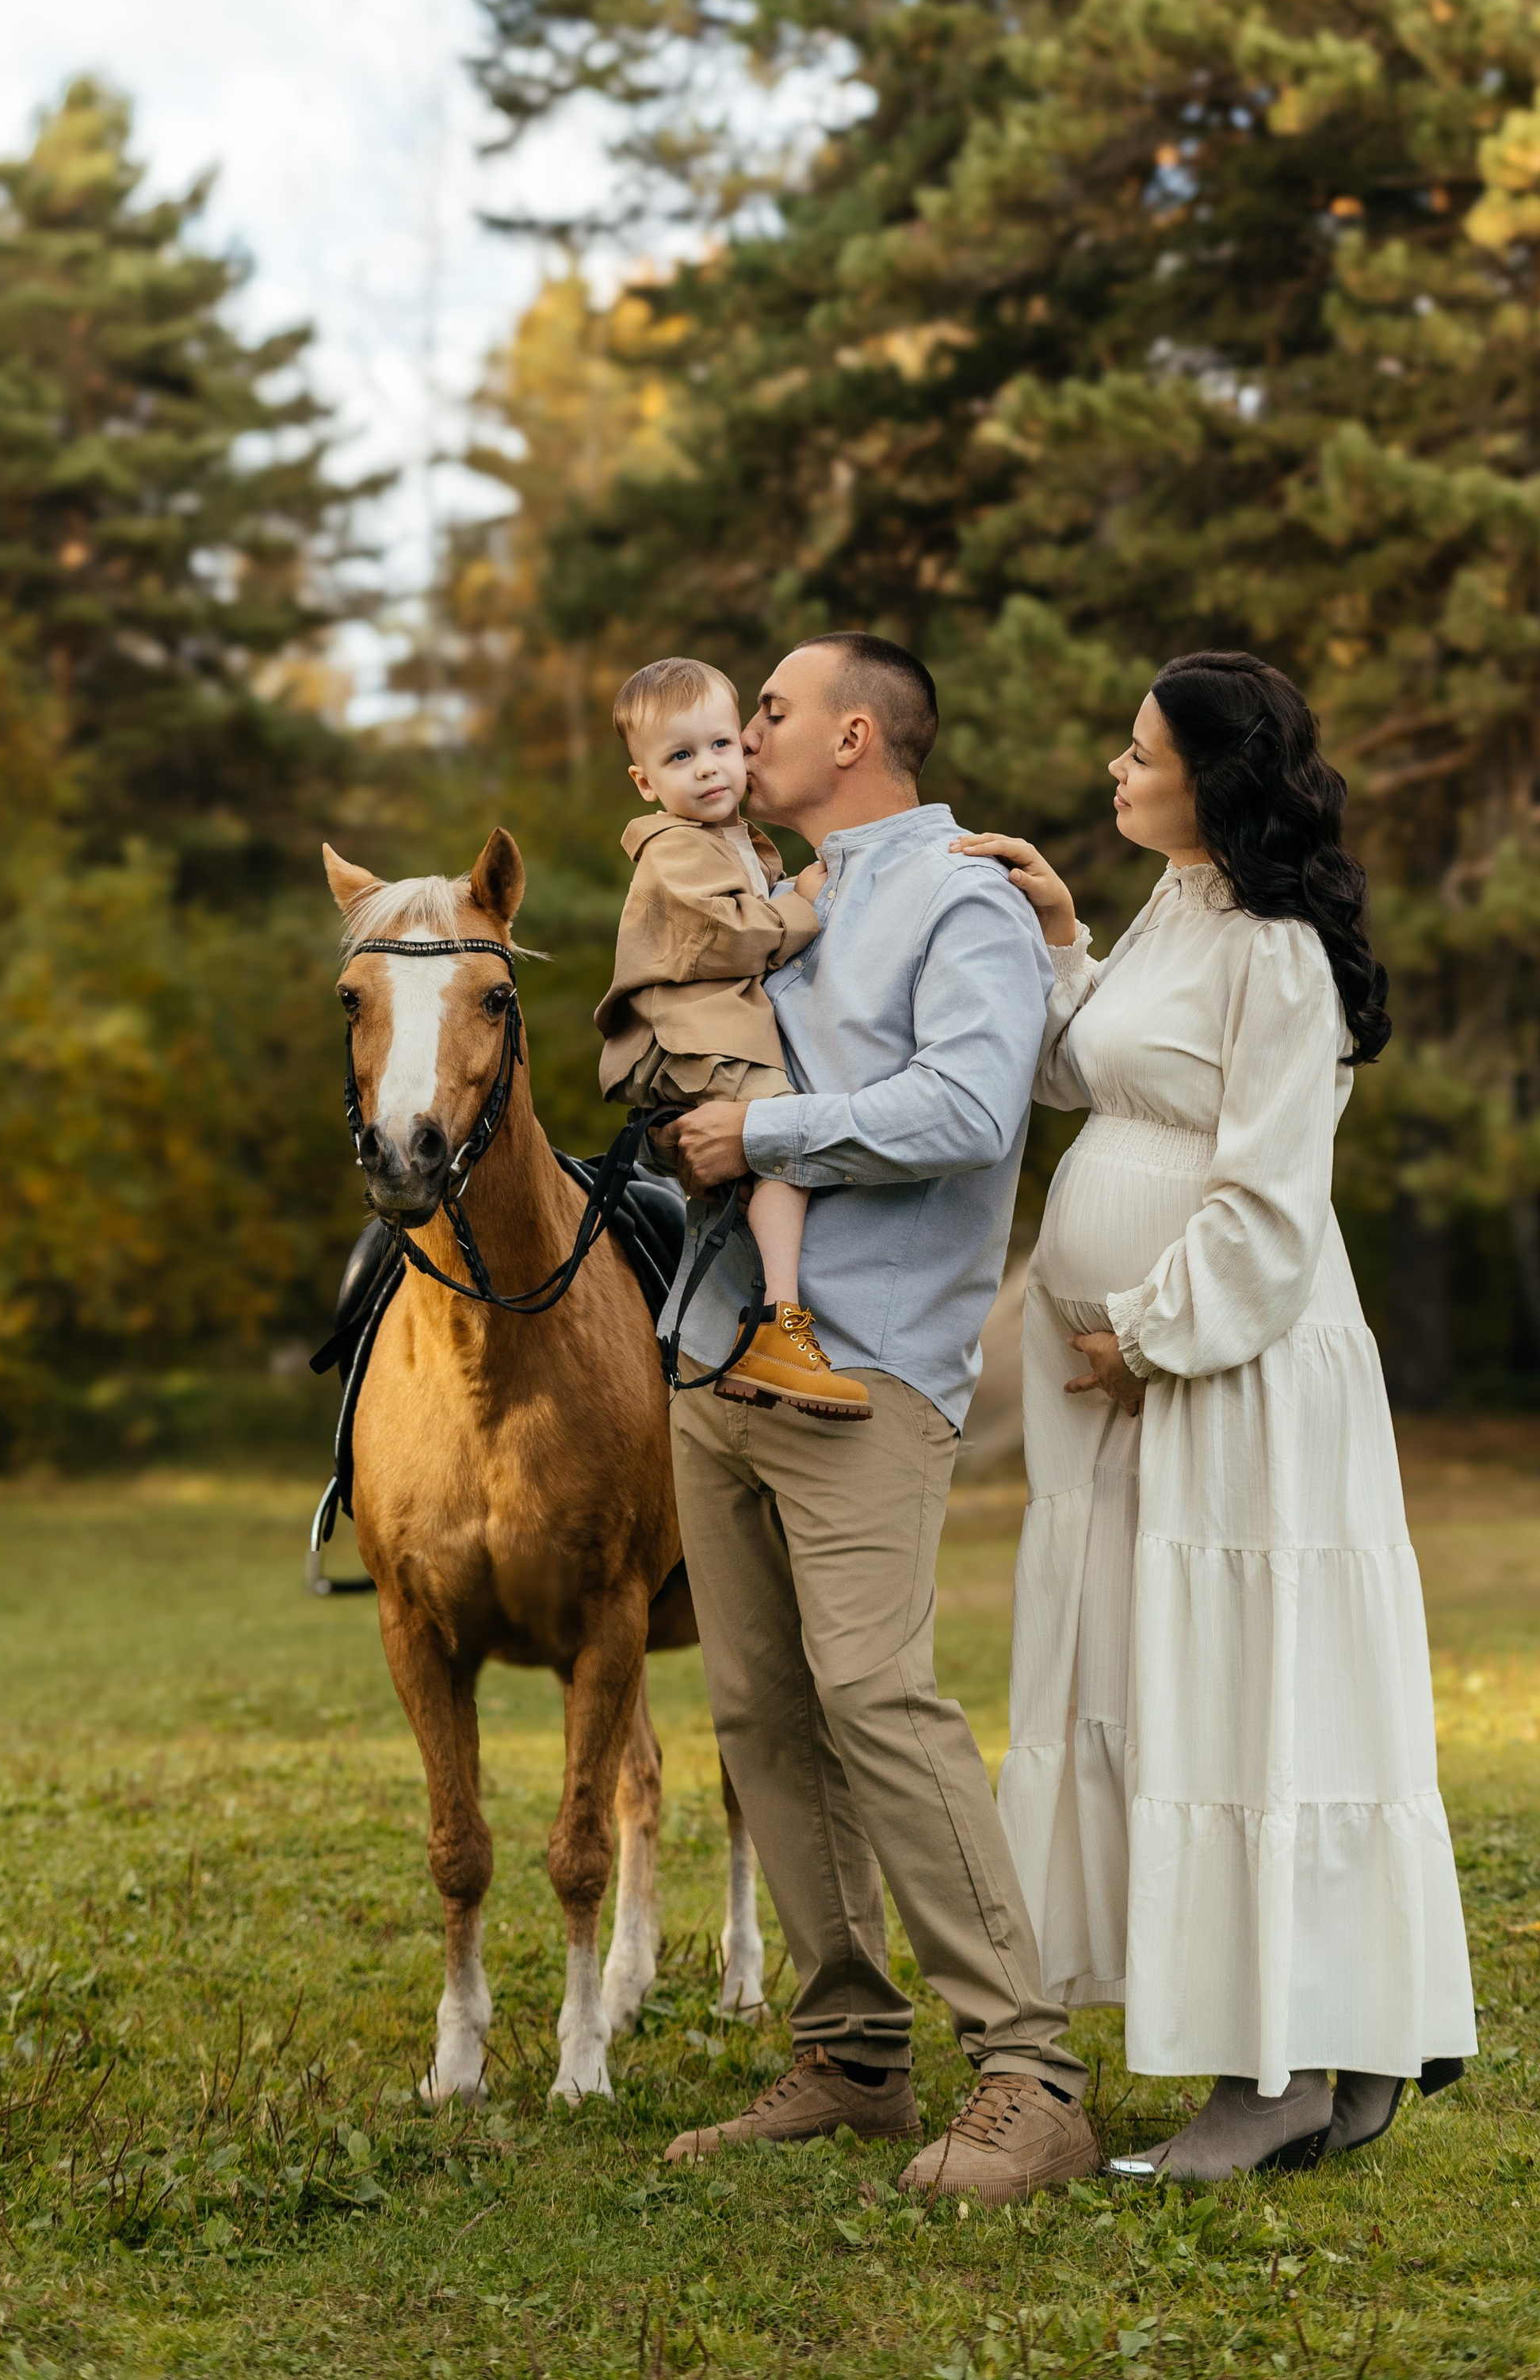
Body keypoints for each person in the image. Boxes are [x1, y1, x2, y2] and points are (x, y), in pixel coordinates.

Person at [955, 650, 1476, 2179]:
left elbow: (1269, 1199)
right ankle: (1344, 2044)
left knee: (1248, 1698)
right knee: (1162, 1687)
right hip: (1132, 1392)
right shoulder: (1174, 911)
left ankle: (1275, 2082)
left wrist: (1152, 1336)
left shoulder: (1280, 954)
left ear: (1214, 778)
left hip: (1232, 1376)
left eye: (1138, 754)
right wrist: (1061, 937)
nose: (1115, 773)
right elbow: (1080, 1076)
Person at [655, 633, 1100, 2202]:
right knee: (762, 1715)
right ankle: (850, 2056)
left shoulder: (954, 896)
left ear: (852, 734)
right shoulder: (762, 890)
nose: (741, 730)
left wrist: (763, 1127)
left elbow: (977, 1110)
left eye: (767, 710)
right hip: (716, 1356)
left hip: (863, 1370)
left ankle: (1030, 2074)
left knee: (875, 1699)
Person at [596, 656, 869, 1416]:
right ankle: (782, 1321)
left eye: (720, 746)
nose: (709, 770)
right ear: (646, 783)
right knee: (778, 1137)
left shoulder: (733, 838)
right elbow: (729, 933)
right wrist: (803, 904)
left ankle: (746, 1339)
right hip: (690, 1038)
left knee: (748, 1170)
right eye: (680, 758)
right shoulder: (675, 847)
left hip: (711, 1031)